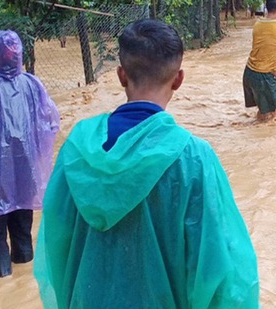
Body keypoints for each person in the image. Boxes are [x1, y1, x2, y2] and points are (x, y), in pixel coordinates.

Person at [34, 19, 260, 308]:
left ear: (120, 75)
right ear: (178, 79)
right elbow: (221, 269)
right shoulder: (193, 158)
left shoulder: (77, 148)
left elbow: (56, 245)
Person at [0, 30, 59, 278]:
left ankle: (2, 276)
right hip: (26, 169)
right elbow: (50, 124)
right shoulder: (32, 84)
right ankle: (25, 274)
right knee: (23, 224)